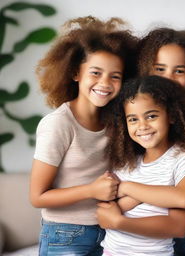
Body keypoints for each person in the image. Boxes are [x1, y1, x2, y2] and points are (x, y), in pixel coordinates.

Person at [29, 16, 138, 256]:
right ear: (76, 73)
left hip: (107, 233)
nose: (105, 83)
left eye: (115, 76)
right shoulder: (58, 124)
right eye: (96, 73)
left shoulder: (115, 122)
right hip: (65, 235)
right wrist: (91, 190)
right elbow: (37, 197)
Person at [97, 75, 185, 256]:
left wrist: (126, 193)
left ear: (171, 115)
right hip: (111, 251)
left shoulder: (182, 159)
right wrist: (144, 196)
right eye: (133, 119)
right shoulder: (125, 162)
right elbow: (106, 212)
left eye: (151, 116)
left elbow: (179, 213)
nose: (142, 126)